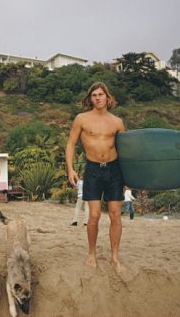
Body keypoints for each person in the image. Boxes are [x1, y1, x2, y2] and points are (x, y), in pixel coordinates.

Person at [65, 81, 126, 270]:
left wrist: (129, 177)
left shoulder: (117, 122)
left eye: (101, 94)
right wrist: (71, 169)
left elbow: (125, 150)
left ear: (108, 98)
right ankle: (92, 253)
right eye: (94, 95)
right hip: (92, 170)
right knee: (94, 215)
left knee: (116, 215)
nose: (98, 98)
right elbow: (70, 144)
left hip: (114, 170)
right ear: (90, 99)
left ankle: (115, 257)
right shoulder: (82, 119)